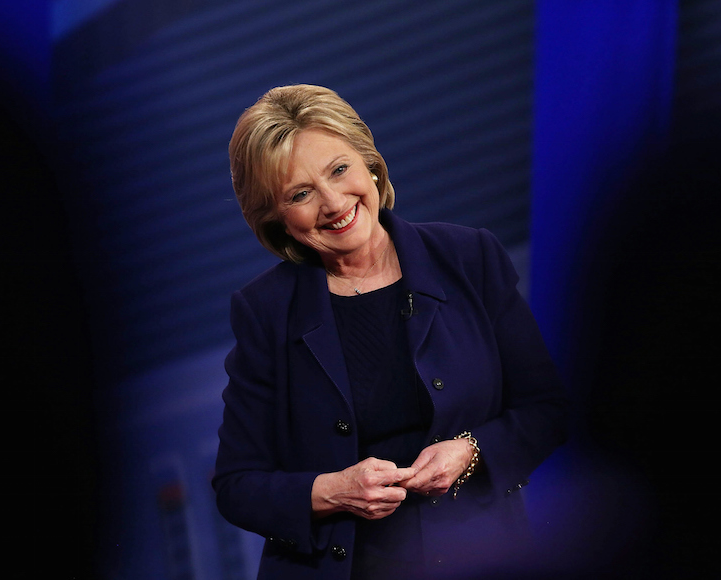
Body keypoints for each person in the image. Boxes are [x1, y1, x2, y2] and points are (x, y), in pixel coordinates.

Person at [212, 84, 568, 580]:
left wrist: (471, 451)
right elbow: (237, 485)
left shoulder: (469, 258)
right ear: (277, 220)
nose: (333, 202)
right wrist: (333, 490)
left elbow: (547, 409)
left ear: (370, 164)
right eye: (300, 194)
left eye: (339, 169)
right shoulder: (264, 310)